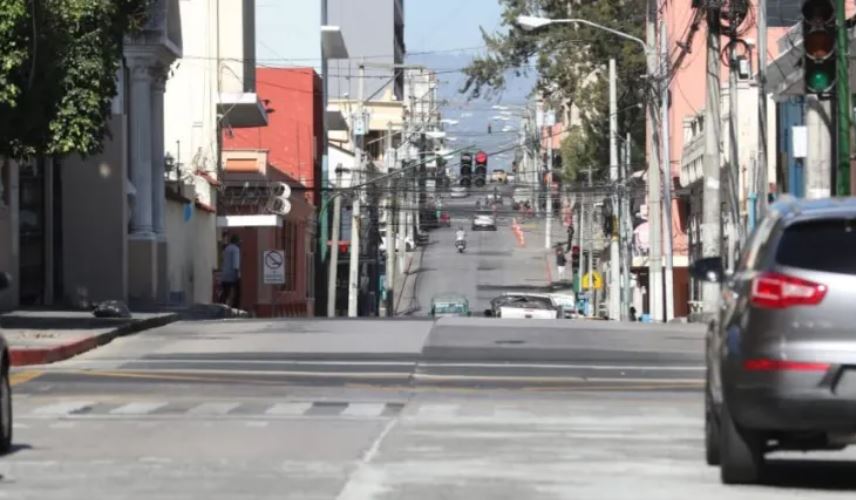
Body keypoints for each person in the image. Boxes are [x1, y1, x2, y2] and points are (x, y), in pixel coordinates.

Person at [219, 234, 241, 308]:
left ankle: (222, 307)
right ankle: (234, 308)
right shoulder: (236, 249)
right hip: (232, 275)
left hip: (224, 274)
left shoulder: (226, 248)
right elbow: (235, 264)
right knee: (236, 293)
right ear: (236, 242)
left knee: (225, 293)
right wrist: (237, 275)